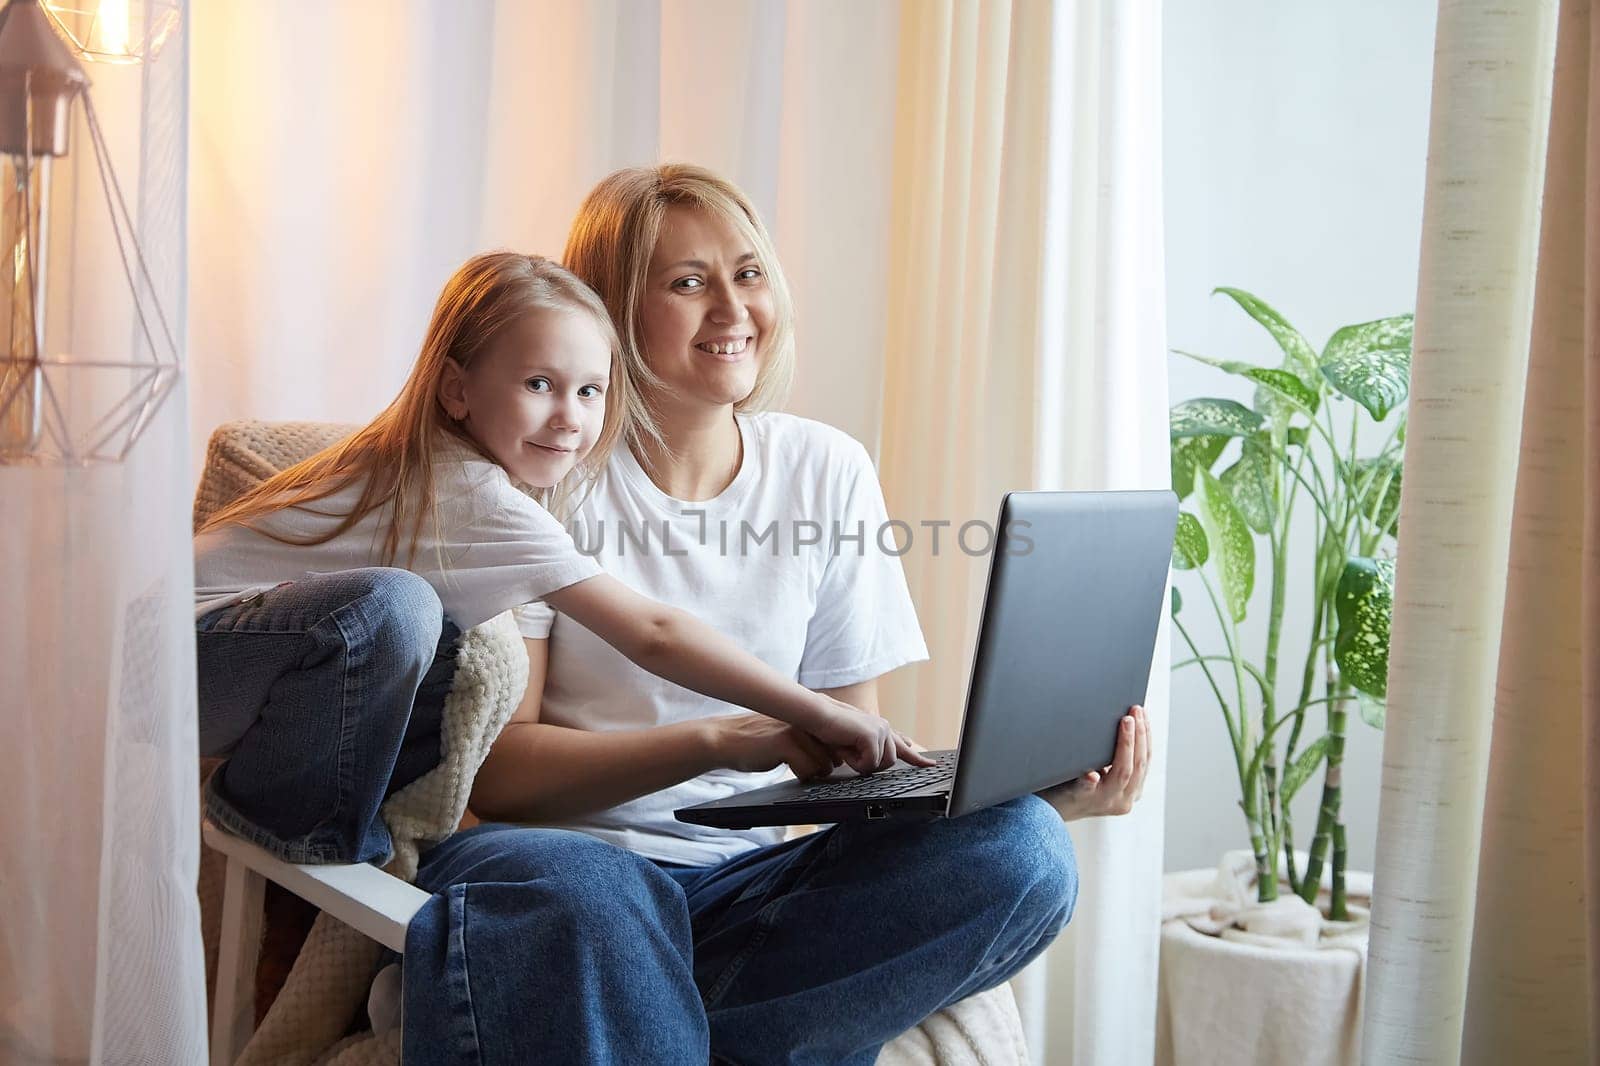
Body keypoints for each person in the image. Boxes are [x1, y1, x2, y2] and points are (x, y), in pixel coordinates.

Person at [398, 167, 1153, 1065]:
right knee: (596, 890)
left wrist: (1027, 793)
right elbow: (500, 777)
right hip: (552, 870)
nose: (733, 309)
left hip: (733, 895)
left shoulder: (826, 470)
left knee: (1022, 850)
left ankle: (643, 1020)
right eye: (688, 282)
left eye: (749, 274)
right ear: (607, 313)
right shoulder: (541, 473)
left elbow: (847, 762)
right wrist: (725, 739)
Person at [193, 251, 919, 868]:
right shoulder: (473, 494)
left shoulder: (456, 476)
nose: (569, 417)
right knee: (395, 608)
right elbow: (652, 633)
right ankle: (293, 826)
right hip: (177, 659)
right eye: (538, 385)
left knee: (413, 629)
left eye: (590, 391)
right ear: (456, 390)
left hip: (233, 662)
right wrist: (808, 710)